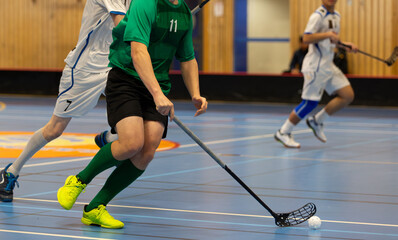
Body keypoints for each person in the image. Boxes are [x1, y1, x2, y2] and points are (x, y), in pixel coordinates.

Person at [57, 0, 208, 229]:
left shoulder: (185, 13)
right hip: (126, 79)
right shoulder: (146, 4)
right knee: (131, 143)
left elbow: (187, 58)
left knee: (147, 151)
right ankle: (78, 180)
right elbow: (138, 52)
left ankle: (96, 207)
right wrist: (157, 95)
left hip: (157, 84)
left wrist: (195, 94)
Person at [0, 0, 130, 202]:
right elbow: (123, 27)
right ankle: (11, 171)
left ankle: (108, 138)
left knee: (131, 131)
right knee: (55, 129)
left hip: (116, 66)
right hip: (86, 68)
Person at [274, 0, 358, 148]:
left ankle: (317, 121)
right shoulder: (317, 16)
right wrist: (327, 34)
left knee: (347, 95)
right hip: (316, 66)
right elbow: (306, 38)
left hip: (328, 65)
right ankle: (283, 131)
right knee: (310, 102)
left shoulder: (336, 15)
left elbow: (331, 41)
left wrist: (345, 45)